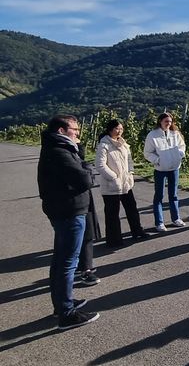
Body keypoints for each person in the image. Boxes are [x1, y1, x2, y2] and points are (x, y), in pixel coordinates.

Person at [37, 114, 101, 329]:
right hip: (69, 211)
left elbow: (79, 171)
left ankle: (62, 303)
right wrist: (88, 170)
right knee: (67, 263)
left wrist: (80, 154)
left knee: (61, 260)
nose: (78, 133)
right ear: (62, 131)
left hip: (64, 210)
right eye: (74, 129)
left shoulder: (60, 149)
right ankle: (66, 313)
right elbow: (83, 179)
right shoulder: (59, 152)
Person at [96, 120, 149, 247]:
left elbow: (129, 160)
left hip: (125, 183)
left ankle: (137, 231)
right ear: (110, 130)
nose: (119, 131)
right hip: (111, 185)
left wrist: (130, 172)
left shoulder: (124, 144)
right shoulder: (104, 145)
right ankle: (114, 240)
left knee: (132, 209)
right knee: (112, 213)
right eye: (117, 129)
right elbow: (100, 165)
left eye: (121, 128)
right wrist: (114, 177)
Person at [144, 113, 187, 232]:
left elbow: (182, 146)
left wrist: (179, 155)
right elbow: (147, 152)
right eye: (166, 121)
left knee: (173, 194)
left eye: (170, 121)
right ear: (160, 121)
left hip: (174, 168)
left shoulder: (175, 134)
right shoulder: (152, 135)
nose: (168, 124)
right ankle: (159, 222)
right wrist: (157, 160)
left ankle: (176, 218)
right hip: (160, 169)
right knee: (159, 196)